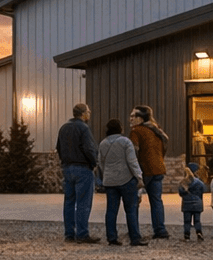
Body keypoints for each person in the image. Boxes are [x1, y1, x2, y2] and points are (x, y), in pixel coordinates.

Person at [95, 117, 146, 246]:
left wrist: (107, 174)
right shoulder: (125, 142)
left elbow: (100, 162)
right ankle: (135, 238)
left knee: (111, 210)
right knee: (131, 209)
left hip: (110, 181)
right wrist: (139, 176)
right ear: (120, 129)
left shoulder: (103, 143)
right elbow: (132, 161)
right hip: (126, 179)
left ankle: (111, 237)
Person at [56, 103, 100, 244]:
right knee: (83, 202)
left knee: (69, 201)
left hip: (67, 168)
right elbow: (88, 148)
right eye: (88, 111)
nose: (90, 113)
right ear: (83, 114)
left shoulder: (64, 128)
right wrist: (94, 163)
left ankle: (69, 234)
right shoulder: (84, 128)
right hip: (83, 169)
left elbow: (59, 147)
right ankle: (82, 233)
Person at [129, 105, 171, 239]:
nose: (130, 118)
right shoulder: (157, 131)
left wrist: (134, 171)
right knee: (156, 201)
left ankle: (134, 231)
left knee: (134, 201)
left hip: (143, 170)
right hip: (158, 168)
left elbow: (133, 153)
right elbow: (164, 148)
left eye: (133, 116)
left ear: (140, 118)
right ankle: (160, 230)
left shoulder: (136, 131)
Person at [179, 161, 206, 241]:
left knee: (187, 221)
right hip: (197, 203)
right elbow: (203, 190)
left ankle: (187, 235)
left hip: (187, 204)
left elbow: (181, 193)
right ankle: (199, 233)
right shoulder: (199, 182)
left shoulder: (183, 182)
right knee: (197, 220)